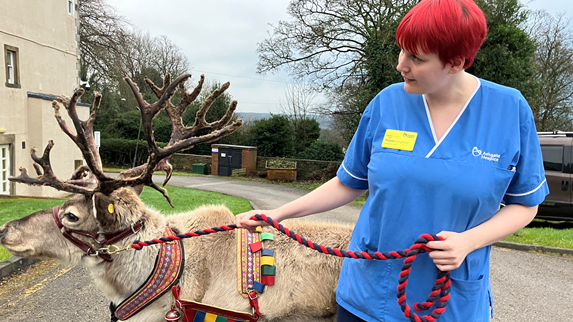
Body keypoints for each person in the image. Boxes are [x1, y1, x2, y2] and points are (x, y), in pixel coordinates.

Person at [235, 0, 549, 320]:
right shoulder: (386, 104)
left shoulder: (509, 111)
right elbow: (349, 182)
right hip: (367, 296)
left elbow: (525, 204)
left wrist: (468, 242)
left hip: (450, 303)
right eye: (402, 51)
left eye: (417, 57)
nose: (401, 65)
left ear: (455, 62)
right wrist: (277, 213)